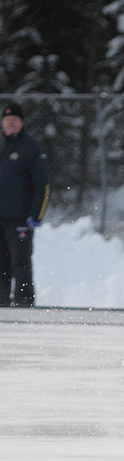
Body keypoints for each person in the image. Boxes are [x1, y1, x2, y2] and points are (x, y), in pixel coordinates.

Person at [0, 102, 50, 308]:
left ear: (21, 123)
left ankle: (24, 301)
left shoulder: (31, 148)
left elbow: (43, 185)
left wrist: (36, 214)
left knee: (20, 262)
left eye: (15, 120)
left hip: (20, 217)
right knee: (1, 263)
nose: (10, 124)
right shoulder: (2, 146)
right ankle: (2, 300)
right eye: (7, 120)